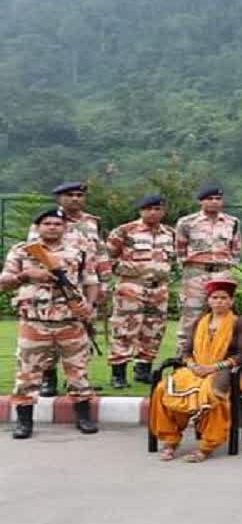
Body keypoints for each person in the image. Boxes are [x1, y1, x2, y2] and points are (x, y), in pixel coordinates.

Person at [2, 208, 100, 439]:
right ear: (37, 227)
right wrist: (27, 275)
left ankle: (83, 417)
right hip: (35, 322)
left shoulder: (79, 251)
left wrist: (90, 305)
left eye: (57, 223)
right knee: (27, 374)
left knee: (78, 372)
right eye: (47, 223)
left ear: (64, 227)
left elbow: (91, 281)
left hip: (70, 321)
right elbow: (4, 282)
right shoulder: (21, 251)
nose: (52, 227)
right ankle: (24, 422)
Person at [149, 279, 242, 462]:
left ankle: (206, 447)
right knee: (162, 389)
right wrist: (192, 365)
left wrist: (213, 367)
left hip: (224, 371)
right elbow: (187, 351)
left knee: (212, 395)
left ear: (231, 301)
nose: (219, 301)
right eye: (215, 297)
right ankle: (170, 440)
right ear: (209, 300)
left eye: (224, 298)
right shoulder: (201, 321)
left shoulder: (239, 323)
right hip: (196, 369)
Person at [27, 182, 111, 397]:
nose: (75, 199)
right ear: (59, 198)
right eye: (69, 195)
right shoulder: (46, 221)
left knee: (83, 332)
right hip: (53, 285)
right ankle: (49, 377)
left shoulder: (92, 222)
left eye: (79, 195)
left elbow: (99, 254)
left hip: (84, 282)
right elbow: (34, 254)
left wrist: (104, 284)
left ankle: (79, 380)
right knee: (49, 332)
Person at [105, 194, 177, 388]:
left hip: (159, 288)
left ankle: (143, 369)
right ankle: (118, 374)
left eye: (158, 209)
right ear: (141, 211)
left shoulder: (169, 233)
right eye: (149, 209)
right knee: (124, 329)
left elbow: (172, 259)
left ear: (163, 211)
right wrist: (124, 271)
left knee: (153, 329)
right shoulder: (125, 231)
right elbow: (106, 257)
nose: (154, 213)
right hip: (131, 286)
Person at [174, 184, 242, 355]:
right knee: (191, 316)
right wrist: (189, 266)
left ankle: (218, 354)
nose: (214, 202)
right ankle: (183, 358)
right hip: (196, 272)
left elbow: (236, 249)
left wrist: (228, 265)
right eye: (209, 199)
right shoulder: (187, 222)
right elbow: (179, 249)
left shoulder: (232, 222)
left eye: (218, 199)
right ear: (200, 201)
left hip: (222, 272)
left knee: (221, 314)